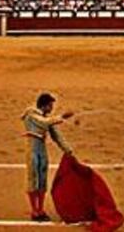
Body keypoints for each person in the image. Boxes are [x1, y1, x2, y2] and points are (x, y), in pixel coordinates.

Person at [22, 92, 74, 221]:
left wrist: (68, 150)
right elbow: (44, 123)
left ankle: (41, 209)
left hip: (41, 150)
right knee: (33, 180)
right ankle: (34, 211)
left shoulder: (46, 118)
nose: (51, 108)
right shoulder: (31, 115)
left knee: (42, 180)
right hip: (33, 151)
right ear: (44, 105)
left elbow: (56, 136)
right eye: (50, 105)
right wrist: (62, 116)